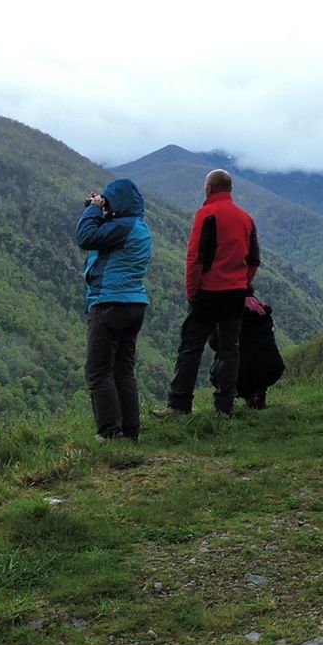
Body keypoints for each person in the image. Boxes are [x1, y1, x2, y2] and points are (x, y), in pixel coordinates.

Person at [155, 169, 261, 417]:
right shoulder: (246, 218)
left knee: (191, 347)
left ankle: (179, 404)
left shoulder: (206, 214)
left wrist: (193, 292)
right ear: (229, 189)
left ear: (210, 188)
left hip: (209, 292)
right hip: (236, 293)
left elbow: (195, 258)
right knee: (230, 349)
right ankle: (224, 407)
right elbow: (254, 259)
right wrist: (242, 282)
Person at [75, 178, 153, 441]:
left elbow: (85, 237)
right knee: (123, 370)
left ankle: (110, 433)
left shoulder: (121, 227)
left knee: (98, 370)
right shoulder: (138, 227)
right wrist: (102, 209)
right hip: (134, 304)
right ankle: (130, 432)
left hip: (109, 303)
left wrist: (94, 209)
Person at [209, 292, 285, 409]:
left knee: (226, 368)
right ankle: (257, 394)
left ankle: (229, 403)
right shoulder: (262, 311)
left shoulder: (228, 311)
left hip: (241, 369)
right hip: (272, 368)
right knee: (254, 362)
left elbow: (214, 343)